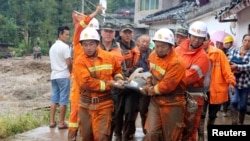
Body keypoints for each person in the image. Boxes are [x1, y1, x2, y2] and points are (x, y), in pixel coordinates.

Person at [74, 27, 124, 141]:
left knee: (102, 137)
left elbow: (117, 70)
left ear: (97, 43)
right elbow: (86, 83)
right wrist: (110, 84)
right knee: (87, 137)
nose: (88, 48)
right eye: (85, 45)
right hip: (86, 106)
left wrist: (118, 78)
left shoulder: (109, 57)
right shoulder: (79, 61)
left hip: (104, 104)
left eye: (91, 44)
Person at [141, 28, 186, 141]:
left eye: (163, 46)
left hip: (173, 103)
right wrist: (148, 82)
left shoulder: (176, 62)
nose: (159, 49)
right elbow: (150, 72)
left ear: (171, 46)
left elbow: (167, 86)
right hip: (156, 101)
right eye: (157, 45)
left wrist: (149, 90)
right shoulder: (152, 55)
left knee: (171, 136)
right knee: (151, 133)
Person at [68, 5, 102, 141]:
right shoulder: (78, 39)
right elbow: (82, 24)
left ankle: (86, 134)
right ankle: (72, 135)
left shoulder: (98, 46)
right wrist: (95, 12)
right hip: (79, 80)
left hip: (91, 81)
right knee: (76, 108)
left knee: (90, 110)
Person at [175, 21, 210, 141]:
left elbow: (190, 77)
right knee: (175, 126)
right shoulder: (178, 50)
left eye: (200, 38)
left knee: (190, 129)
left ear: (203, 39)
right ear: (189, 36)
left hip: (193, 97)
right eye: (194, 36)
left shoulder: (203, 57)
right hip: (176, 93)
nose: (196, 40)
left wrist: (169, 79)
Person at [198, 33, 236, 140]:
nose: (202, 42)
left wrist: (231, 82)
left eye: (204, 40)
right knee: (201, 114)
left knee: (212, 115)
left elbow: (226, 70)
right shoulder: (196, 54)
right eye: (201, 40)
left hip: (215, 89)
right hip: (200, 89)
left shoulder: (218, 53)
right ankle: (200, 135)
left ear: (209, 40)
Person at [112, 23, 140, 141]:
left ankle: (127, 133)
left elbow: (139, 64)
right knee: (118, 111)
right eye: (125, 32)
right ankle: (117, 133)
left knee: (130, 111)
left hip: (132, 84)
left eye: (129, 32)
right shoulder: (115, 46)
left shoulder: (135, 46)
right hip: (118, 82)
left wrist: (134, 73)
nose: (127, 35)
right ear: (120, 33)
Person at [49, 25, 72, 129]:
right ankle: (61, 122)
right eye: (66, 34)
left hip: (54, 76)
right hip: (63, 75)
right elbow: (69, 63)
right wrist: (71, 72)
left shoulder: (52, 47)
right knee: (63, 99)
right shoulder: (65, 47)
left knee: (54, 99)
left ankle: (52, 121)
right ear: (60, 34)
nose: (68, 36)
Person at [130, 34, 152, 135]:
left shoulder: (152, 54)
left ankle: (145, 131)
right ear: (138, 41)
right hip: (132, 85)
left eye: (147, 42)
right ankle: (130, 132)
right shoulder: (131, 53)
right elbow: (127, 69)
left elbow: (152, 70)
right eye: (143, 41)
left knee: (144, 110)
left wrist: (145, 76)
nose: (145, 44)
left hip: (145, 85)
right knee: (132, 110)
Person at [228, 34, 250, 125]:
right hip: (233, 82)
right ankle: (234, 122)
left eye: (249, 41)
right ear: (242, 40)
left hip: (245, 84)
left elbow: (249, 66)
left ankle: (241, 122)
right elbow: (227, 62)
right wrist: (232, 68)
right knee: (234, 101)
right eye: (245, 40)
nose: (247, 43)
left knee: (243, 106)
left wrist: (237, 66)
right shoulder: (234, 50)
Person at [220, 35, 235, 117]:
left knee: (230, 95)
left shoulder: (233, 51)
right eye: (225, 43)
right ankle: (225, 109)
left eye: (227, 43)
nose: (226, 44)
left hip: (231, 75)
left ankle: (227, 111)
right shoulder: (224, 51)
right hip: (225, 76)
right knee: (226, 94)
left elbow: (229, 62)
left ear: (231, 43)